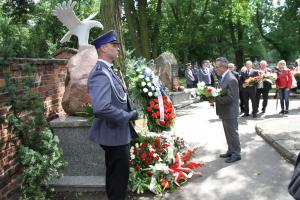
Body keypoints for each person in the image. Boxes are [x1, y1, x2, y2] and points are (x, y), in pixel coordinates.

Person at [88, 30, 138, 200]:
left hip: (117, 133)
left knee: (117, 175)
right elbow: (101, 108)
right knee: (118, 178)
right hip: (113, 134)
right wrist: (128, 116)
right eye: (114, 45)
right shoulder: (100, 73)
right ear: (103, 48)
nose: (118, 49)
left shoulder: (109, 70)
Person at [214, 57, 241, 163]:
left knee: (233, 133)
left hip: (230, 111)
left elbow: (231, 98)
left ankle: (236, 154)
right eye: (215, 67)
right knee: (228, 133)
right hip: (224, 111)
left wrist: (215, 97)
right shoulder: (222, 77)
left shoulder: (231, 79)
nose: (215, 69)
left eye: (217, 67)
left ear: (224, 67)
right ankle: (231, 150)